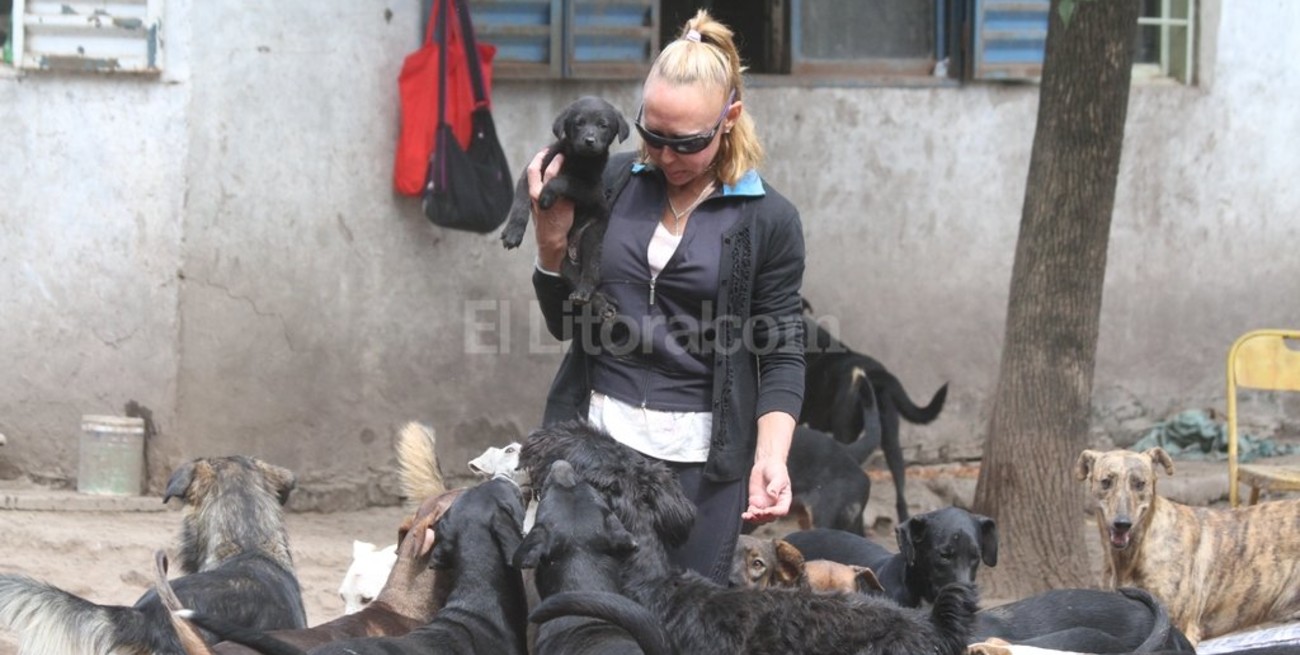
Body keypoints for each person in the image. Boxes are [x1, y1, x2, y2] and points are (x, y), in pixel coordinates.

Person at [525, 9, 806, 585]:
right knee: (583, 619)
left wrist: (771, 456)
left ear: (730, 118)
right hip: (594, 445)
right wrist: (551, 243)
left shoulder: (769, 218)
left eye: (685, 143)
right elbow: (565, 323)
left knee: (684, 624)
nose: (663, 156)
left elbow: (780, 352)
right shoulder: (610, 182)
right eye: (650, 135)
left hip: (703, 463)